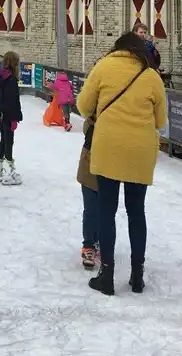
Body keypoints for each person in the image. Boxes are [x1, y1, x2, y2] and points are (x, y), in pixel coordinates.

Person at [77, 31, 167, 296]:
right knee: (136, 212)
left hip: (109, 149)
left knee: (107, 211)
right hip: (140, 152)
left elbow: (83, 106)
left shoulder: (104, 67)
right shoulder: (152, 77)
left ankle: (107, 275)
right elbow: (160, 121)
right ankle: (137, 276)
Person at [0, 51, 23, 185]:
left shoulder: (1, 77)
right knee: (9, 141)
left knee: (4, 140)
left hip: (1, 114)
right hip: (8, 115)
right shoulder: (10, 80)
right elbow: (12, 101)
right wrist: (15, 117)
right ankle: (10, 172)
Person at [77, 116, 99, 271]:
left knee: (106, 208)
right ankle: (89, 244)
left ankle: (100, 239)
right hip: (92, 155)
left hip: (114, 159)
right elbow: (86, 127)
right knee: (91, 206)